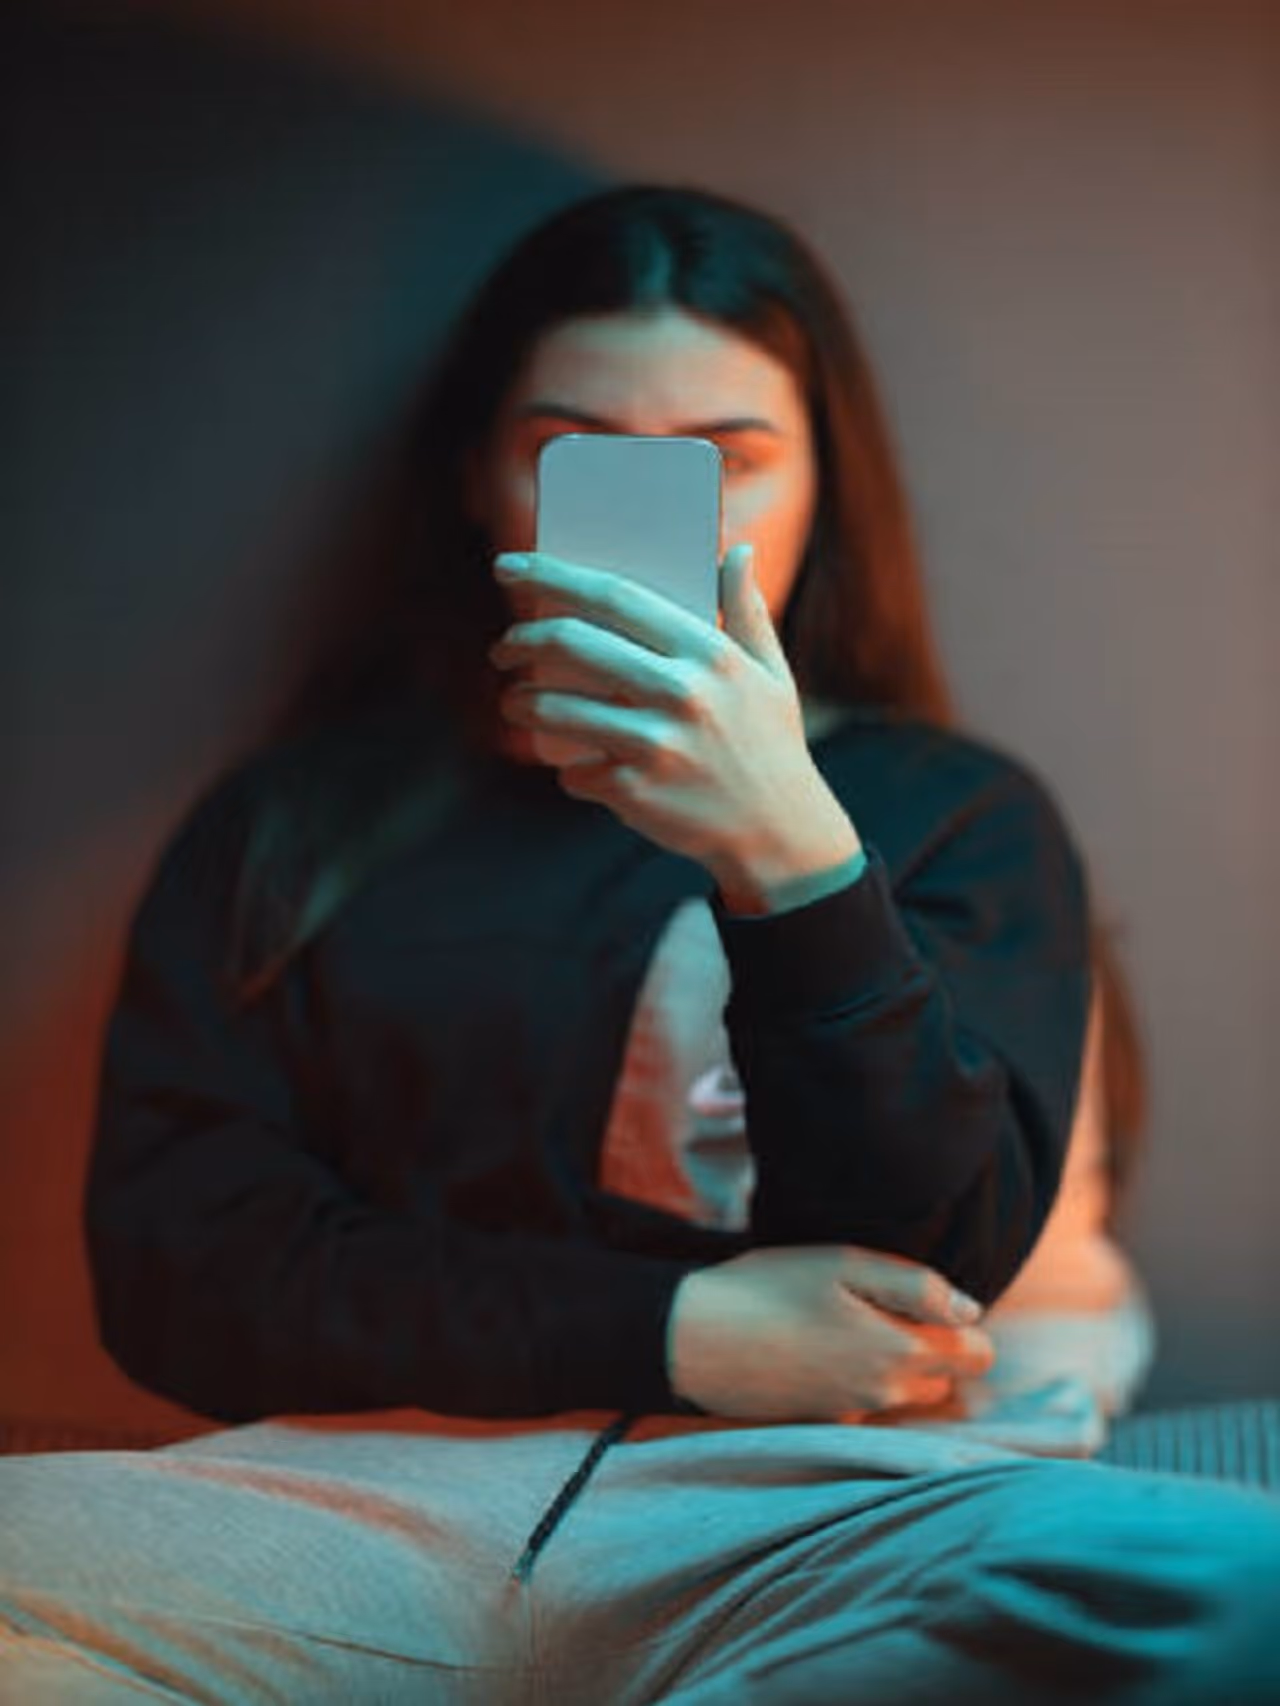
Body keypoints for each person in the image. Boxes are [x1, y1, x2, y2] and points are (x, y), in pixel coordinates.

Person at [2, 181, 1277, 1705]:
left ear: (824, 489)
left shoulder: (956, 814)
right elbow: (182, 1269)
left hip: (830, 1513)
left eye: (730, 457)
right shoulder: (292, 825)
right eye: (573, 449)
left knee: (1237, 1582)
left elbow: (931, 1258)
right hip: (345, 1500)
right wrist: (671, 1329)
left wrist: (788, 855)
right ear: (479, 477)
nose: (672, 507)